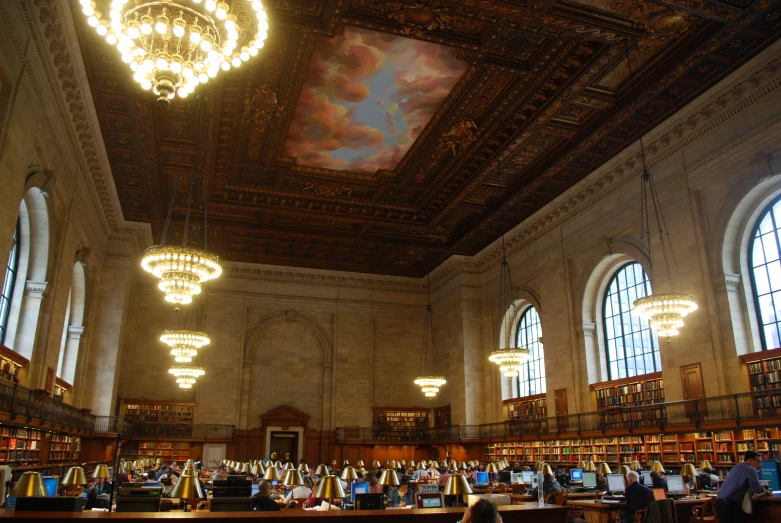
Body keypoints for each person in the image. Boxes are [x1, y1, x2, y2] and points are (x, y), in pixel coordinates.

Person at [716, 450, 770, 522]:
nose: (761, 464)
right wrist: (765, 492)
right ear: (750, 460)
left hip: (719, 503)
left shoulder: (737, 466)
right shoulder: (751, 470)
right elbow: (756, 490)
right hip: (731, 506)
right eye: (759, 461)